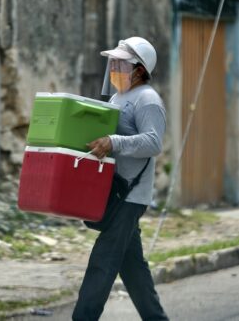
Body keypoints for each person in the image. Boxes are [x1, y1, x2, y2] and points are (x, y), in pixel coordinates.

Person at [72, 37, 169, 321]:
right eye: (112, 62)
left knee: (102, 262)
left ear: (139, 70)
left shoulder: (148, 99)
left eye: (120, 63)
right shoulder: (118, 97)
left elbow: (153, 143)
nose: (113, 67)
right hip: (116, 193)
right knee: (133, 269)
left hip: (131, 196)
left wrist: (113, 142)